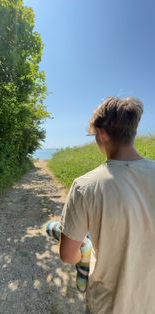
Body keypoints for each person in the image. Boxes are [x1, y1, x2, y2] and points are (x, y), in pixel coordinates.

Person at [58, 96, 155, 314]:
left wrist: (83, 255)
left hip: (108, 305)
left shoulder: (85, 186)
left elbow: (67, 254)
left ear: (101, 134)